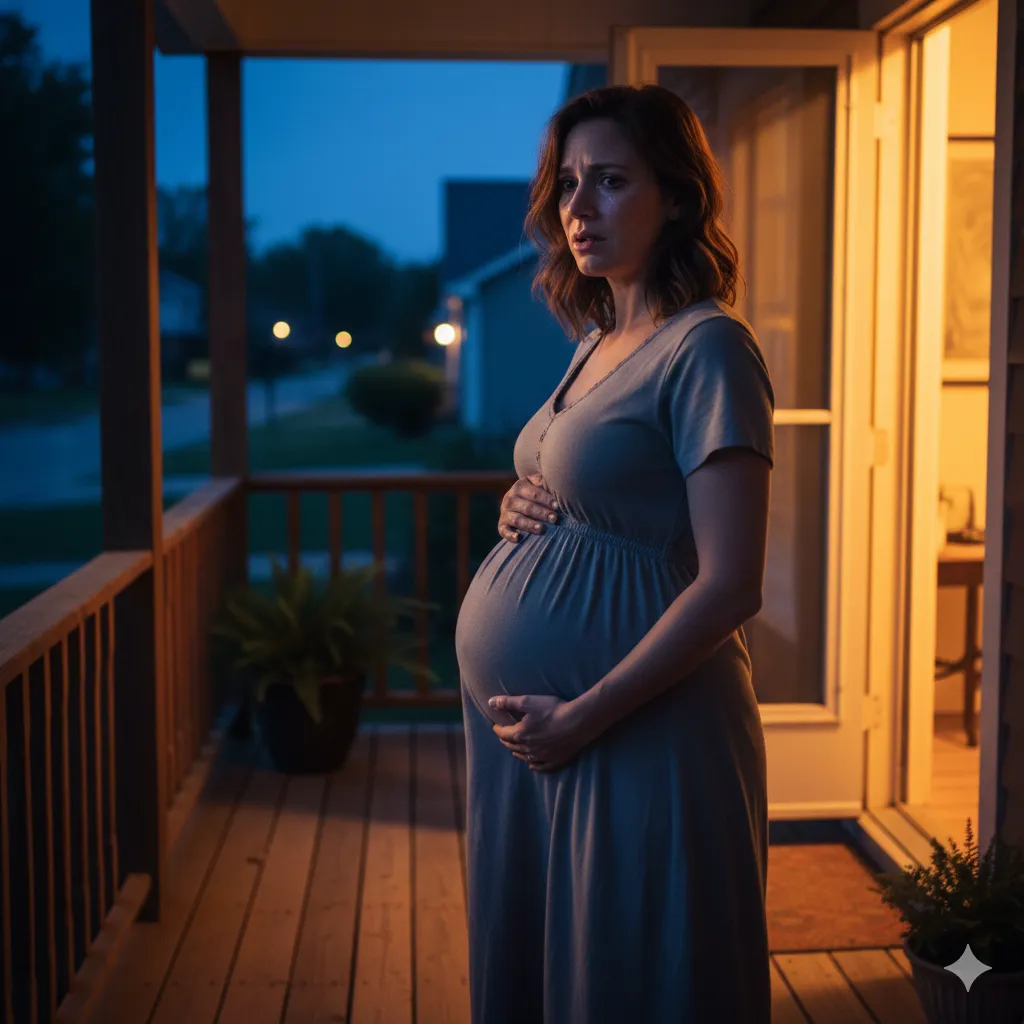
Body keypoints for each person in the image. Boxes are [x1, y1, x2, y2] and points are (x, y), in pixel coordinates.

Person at [453, 83, 775, 1024]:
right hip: (545, 740)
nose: (579, 209)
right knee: (552, 968)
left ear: (676, 197)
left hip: (639, 729)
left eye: (611, 181)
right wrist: (521, 501)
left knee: (635, 979)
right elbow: (598, 488)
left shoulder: (708, 348)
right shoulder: (596, 337)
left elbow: (732, 583)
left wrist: (584, 715)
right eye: (567, 185)